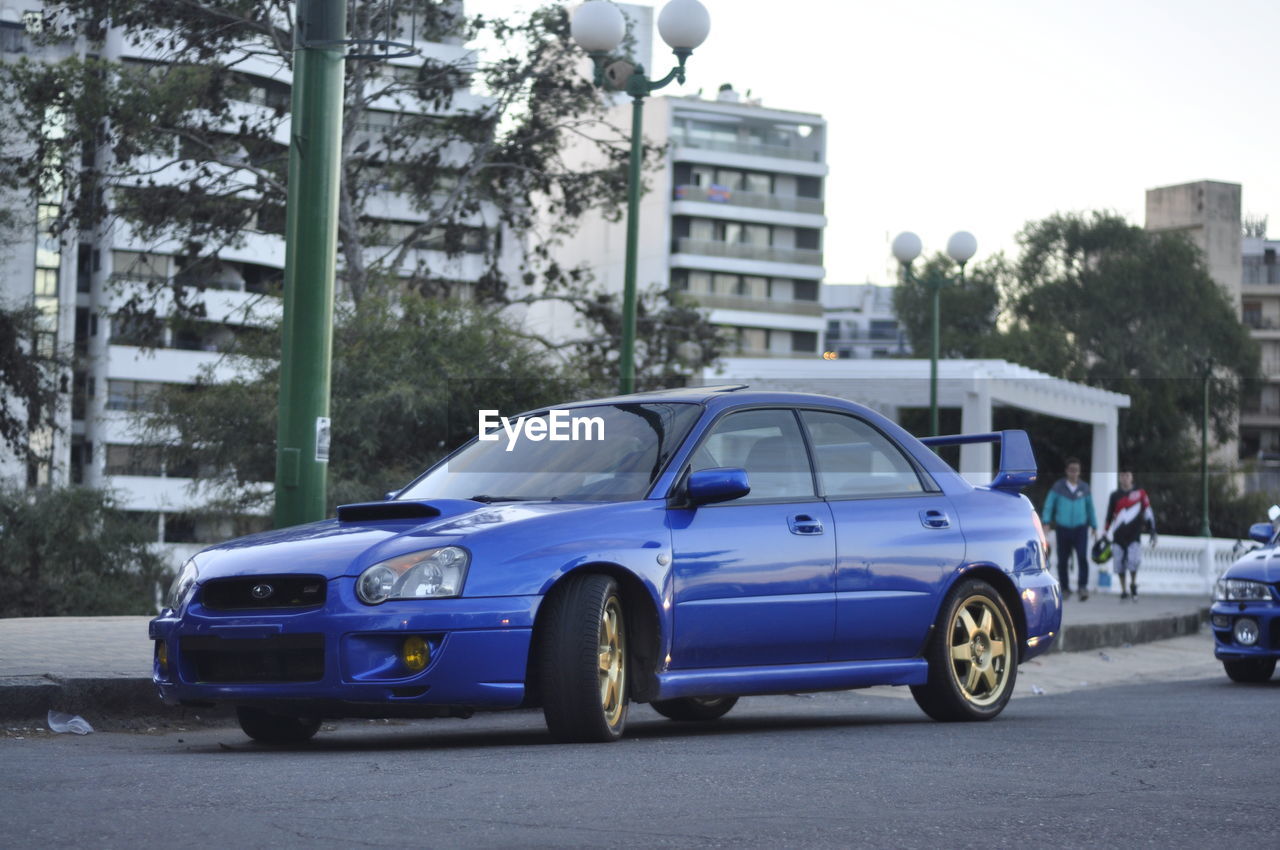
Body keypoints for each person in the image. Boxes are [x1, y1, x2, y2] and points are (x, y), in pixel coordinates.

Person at [1042, 458, 1097, 600]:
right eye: (1071, 470)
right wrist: (1046, 521)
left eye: (1076, 470)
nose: (1074, 473)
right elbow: (1049, 505)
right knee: (1062, 559)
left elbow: (1090, 508)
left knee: (1082, 557)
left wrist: (1094, 526)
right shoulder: (1058, 487)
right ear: (1067, 471)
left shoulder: (1084, 488)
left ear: (1079, 472)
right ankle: (1065, 588)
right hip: (1063, 528)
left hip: (1081, 528)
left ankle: (1082, 587)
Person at [1104, 469, 1157, 601]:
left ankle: (1133, 583)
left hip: (1134, 534)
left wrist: (1152, 530)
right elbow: (1109, 515)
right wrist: (1105, 532)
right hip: (1118, 534)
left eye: (1127, 475)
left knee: (1133, 561)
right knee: (1119, 563)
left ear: (1132, 477)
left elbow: (1148, 511)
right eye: (1122, 475)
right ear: (1119, 478)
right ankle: (1123, 590)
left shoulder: (1140, 493)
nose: (1125, 478)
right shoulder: (1115, 495)